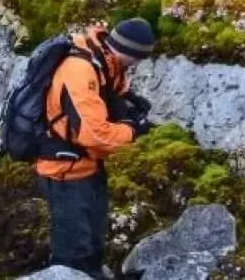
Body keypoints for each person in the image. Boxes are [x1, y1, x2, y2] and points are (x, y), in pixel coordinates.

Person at [35, 18, 156, 277]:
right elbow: (94, 135)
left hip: (88, 166)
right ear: (130, 53)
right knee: (73, 252)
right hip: (64, 171)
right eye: (138, 59)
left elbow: (113, 96)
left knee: (93, 243)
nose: (137, 66)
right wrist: (132, 131)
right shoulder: (81, 70)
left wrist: (127, 105)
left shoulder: (106, 62)